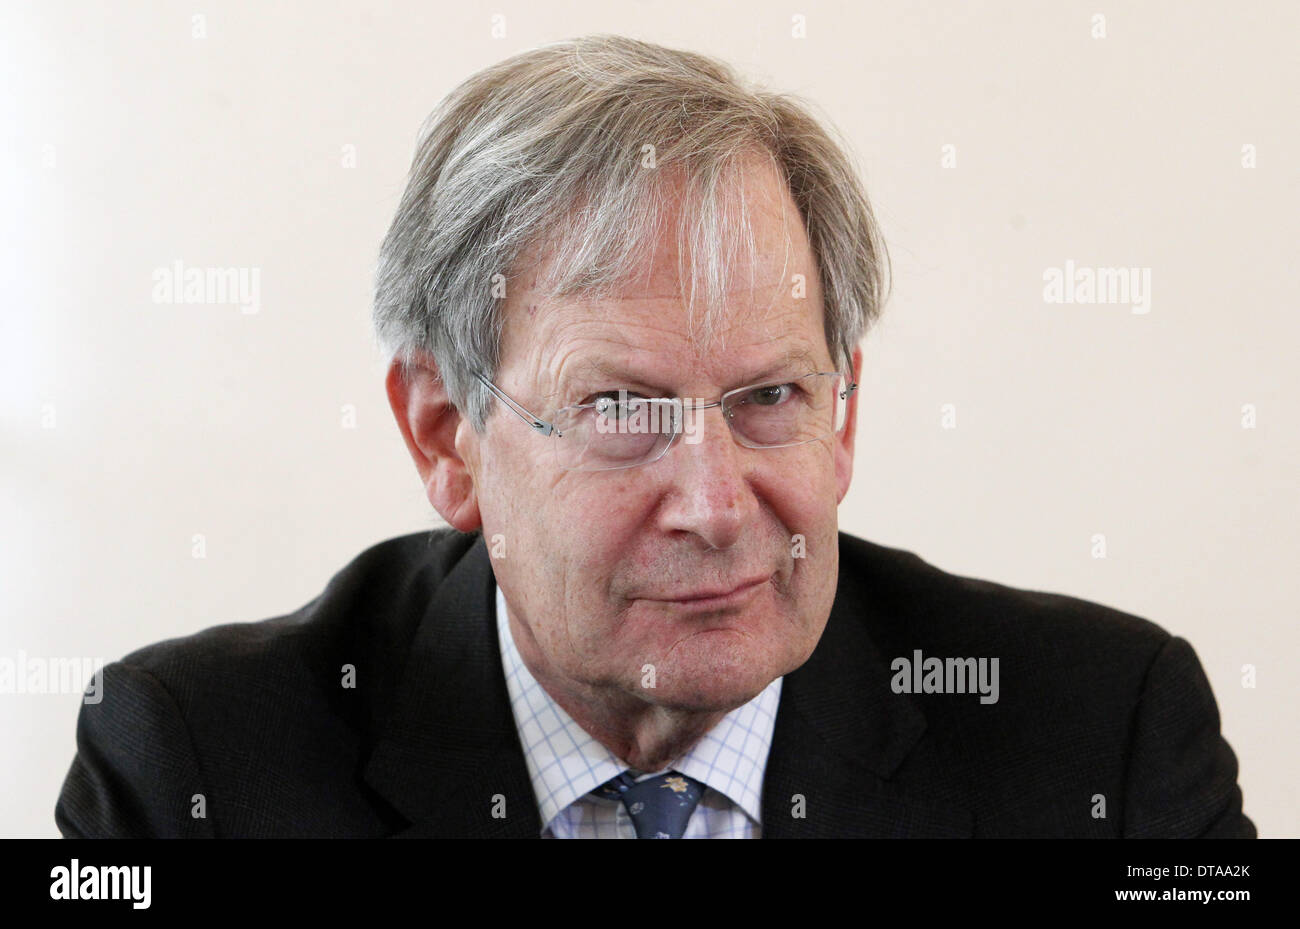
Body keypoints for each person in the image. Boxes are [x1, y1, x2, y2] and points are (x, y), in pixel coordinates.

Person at [55, 34, 1254, 839]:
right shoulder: (192, 770)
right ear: (445, 435)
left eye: (772, 397)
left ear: (845, 419)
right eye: (621, 408)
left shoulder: (1106, 740)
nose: (715, 503)